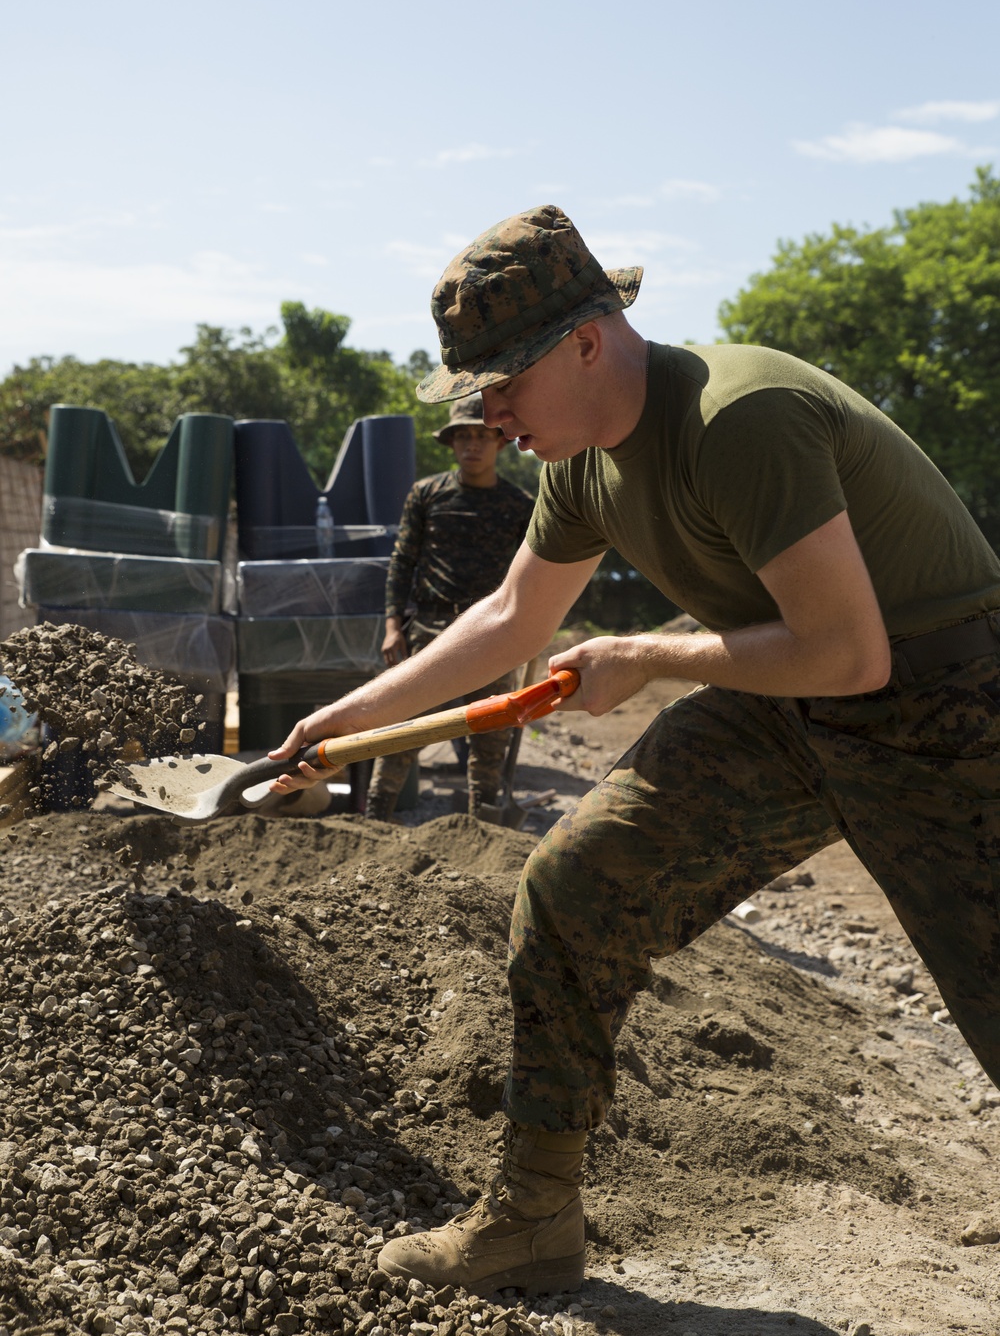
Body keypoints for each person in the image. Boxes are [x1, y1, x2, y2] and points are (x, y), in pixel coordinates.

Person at [270, 204, 1000, 1299]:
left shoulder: (736, 416)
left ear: (587, 339)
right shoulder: (581, 460)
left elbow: (851, 651)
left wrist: (651, 654)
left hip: (947, 702)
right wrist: (349, 717)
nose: (490, 412)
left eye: (504, 381)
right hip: (784, 696)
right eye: (475, 390)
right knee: (573, 892)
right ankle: (532, 1219)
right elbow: (515, 617)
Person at [365, 392, 535, 821]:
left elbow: (533, 576)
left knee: (491, 731)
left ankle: (483, 825)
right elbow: (402, 561)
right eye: (462, 437)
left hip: (494, 630)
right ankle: (375, 819)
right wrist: (392, 625)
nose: (471, 446)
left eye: (480, 436)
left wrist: (530, 632)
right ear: (452, 443)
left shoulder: (519, 506)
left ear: (498, 442)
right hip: (431, 625)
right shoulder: (427, 495)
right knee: (404, 726)